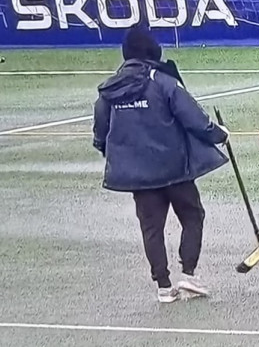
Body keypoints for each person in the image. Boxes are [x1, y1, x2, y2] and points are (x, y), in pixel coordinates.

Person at [92, 27, 229, 304]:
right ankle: (188, 274)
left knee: (151, 228)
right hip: (174, 169)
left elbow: (100, 132)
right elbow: (194, 119)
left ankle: (163, 286)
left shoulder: (110, 88)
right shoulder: (162, 81)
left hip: (138, 175)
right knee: (192, 216)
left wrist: (115, 153)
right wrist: (219, 134)